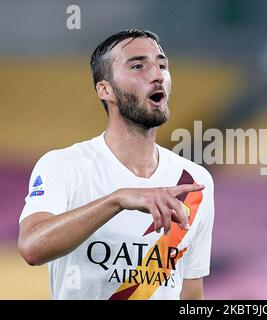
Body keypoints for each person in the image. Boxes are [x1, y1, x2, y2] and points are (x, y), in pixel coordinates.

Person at [17, 29, 215, 300]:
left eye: (161, 65)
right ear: (105, 89)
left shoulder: (193, 181)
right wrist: (118, 200)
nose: (157, 75)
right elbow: (31, 247)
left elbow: (190, 293)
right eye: (137, 66)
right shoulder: (64, 166)